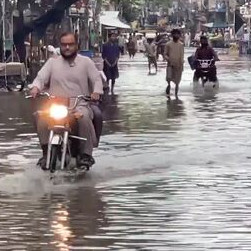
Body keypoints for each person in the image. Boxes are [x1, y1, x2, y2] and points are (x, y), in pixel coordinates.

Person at [29, 32, 103, 170]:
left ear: (77, 45)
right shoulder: (52, 63)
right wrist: (35, 88)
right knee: (40, 116)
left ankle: (86, 155)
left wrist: (96, 92)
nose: (67, 47)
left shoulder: (86, 62)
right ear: (60, 46)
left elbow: (96, 79)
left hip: (79, 105)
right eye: (64, 45)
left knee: (84, 117)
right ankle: (46, 152)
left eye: (70, 44)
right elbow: (40, 78)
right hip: (56, 105)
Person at [164, 29, 184, 99]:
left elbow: (182, 56)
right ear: (172, 35)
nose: (176, 35)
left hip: (178, 65)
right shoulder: (168, 44)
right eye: (175, 34)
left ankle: (176, 96)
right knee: (169, 79)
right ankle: (168, 90)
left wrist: (182, 65)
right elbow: (165, 54)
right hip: (170, 65)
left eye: (177, 34)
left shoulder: (181, 45)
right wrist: (168, 60)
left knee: (177, 82)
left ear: (179, 35)